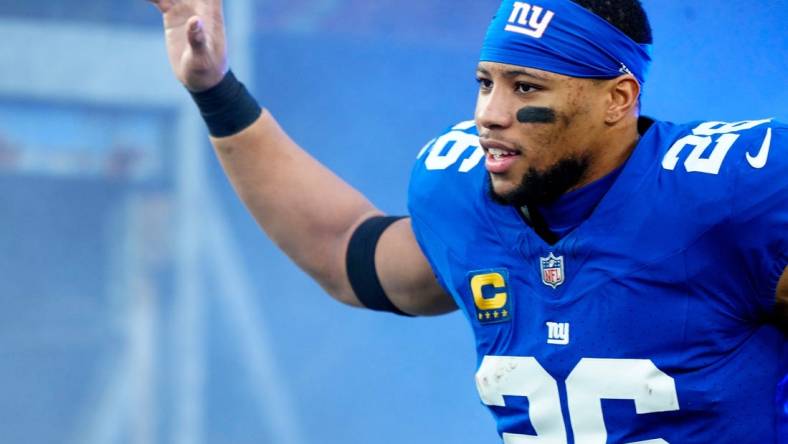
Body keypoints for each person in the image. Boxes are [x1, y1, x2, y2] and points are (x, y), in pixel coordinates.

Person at [147, 0, 787, 441]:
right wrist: (215, 88)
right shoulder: (466, 200)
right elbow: (344, 248)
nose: (490, 112)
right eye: (485, 82)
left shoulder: (721, 202)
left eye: (525, 87)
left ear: (617, 98)